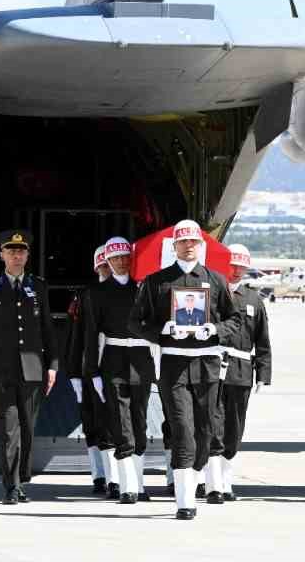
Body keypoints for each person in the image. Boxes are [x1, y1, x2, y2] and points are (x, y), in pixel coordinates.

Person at [130, 219, 241, 520]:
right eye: (183, 242)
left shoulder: (217, 281)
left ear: (200, 245)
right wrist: (162, 331)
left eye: (193, 242)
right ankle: (184, 501)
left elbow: (235, 321)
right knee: (182, 430)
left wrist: (214, 329)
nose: (188, 246)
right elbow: (135, 322)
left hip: (207, 365)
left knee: (205, 433)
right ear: (175, 245)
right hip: (174, 366)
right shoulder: (156, 282)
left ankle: (194, 479)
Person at [0, 228, 59, 504]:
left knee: (28, 428)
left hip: (32, 368)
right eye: (11, 251)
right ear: (1, 255)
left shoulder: (39, 287)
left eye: (21, 251)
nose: (16, 255)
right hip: (0, 369)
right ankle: (11, 485)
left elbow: (47, 329)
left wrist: (52, 365)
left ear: (27, 255)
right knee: (9, 429)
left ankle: (22, 477)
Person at [83, 236, 157, 505]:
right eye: (115, 259)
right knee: (120, 423)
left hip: (140, 359)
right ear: (108, 262)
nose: (121, 263)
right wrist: (91, 372)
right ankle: (127, 486)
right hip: (113, 361)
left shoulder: (144, 289)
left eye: (125, 257)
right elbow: (92, 335)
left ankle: (139, 484)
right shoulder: (97, 293)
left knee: (139, 422)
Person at [204, 243, 270, 503]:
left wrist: (263, 373)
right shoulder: (212, 293)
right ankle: (214, 483)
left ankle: (226, 479)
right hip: (212, 365)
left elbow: (263, 340)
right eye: (232, 265)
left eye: (241, 266)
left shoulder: (254, 299)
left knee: (234, 428)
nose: (236, 271)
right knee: (213, 425)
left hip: (241, 371)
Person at [67, 244, 116, 497]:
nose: (108, 268)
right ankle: (99, 474)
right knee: (92, 424)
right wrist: (74, 371)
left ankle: (113, 477)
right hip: (89, 368)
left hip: (114, 366)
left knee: (111, 424)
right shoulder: (87, 295)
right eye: (104, 264)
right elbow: (77, 337)